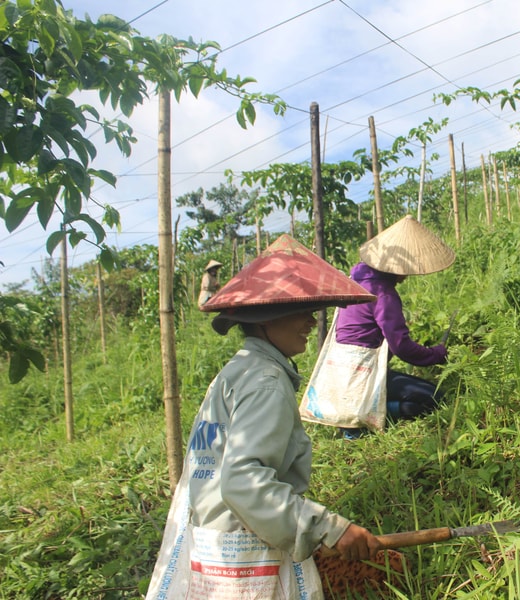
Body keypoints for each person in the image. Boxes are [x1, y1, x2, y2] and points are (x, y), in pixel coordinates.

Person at [146, 235, 403, 599]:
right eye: (302, 311)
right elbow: (243, 482)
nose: (311, 322)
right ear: (269, 318)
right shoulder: (267, 383)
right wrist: (331, 528)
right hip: (245, 549)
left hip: (214, 542)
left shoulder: (238, 371)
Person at [335, 215, 455, 435]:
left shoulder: (357, 279)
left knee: (426, 391)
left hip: (341, 373)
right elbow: (401, 347)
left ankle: (359, 412)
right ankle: (364, 417)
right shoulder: (382, 294)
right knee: (436, 399)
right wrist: (437, 354)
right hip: (362, 376)